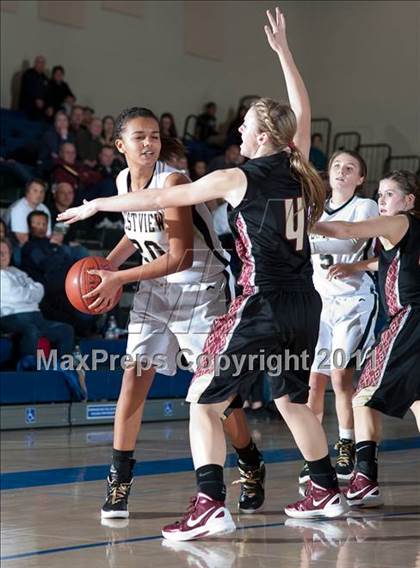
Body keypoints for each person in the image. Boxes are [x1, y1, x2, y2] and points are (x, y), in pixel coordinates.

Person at [59, 9, 347, 537]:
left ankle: (210, 502)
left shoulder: (235, 176)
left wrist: (99, 202)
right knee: (289, 399)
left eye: (246, 125)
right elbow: (303, 110)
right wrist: (285, 53)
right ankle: (326, 486)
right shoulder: (299, 162)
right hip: (306, 303)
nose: (239, 129)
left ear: (262, 137)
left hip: (257, 301)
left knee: (200, 400)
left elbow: (168, 196)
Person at [61, 106, 266, 520]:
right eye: (140, 136)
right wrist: (109, 266)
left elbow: (179, 258)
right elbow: (134, 232)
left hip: (200, 291)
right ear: (120, 145)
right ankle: (119, 480)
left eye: (154, 135)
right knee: (132, 382)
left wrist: (119, 280)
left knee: (218, 396)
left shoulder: (173, 181)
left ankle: (249, 461)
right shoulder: (122, 181)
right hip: (154, 292)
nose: (149, 143)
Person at [311, 169, 420, 506]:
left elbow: (346, 230)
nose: (381, 200)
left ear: (409, 200)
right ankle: (365, 478)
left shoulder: (399, 221)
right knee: (417, 400)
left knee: (363, 395)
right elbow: (387, 262)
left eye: (388, 194)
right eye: (380, 194)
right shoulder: (408, 230)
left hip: (408, 317)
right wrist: (358, 267)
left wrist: (300, 220)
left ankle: (365, 477)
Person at [299, 151, 379, 485]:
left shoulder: (365, 208)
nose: (341, 172)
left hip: (353, 301)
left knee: (339, 376)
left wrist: (302, 226)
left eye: (350, 169)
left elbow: (352, 242)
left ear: (361, 178)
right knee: (313, 382)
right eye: (336, 167)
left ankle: (345, 443)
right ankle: (315, 455)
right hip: (320, 303)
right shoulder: (313, 206)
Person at [0, 237, 74, 359]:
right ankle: (27, 369)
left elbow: (40, 289)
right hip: (11, 318)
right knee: (32, 330)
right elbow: (16, 296)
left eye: (5, 252)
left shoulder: (17, 271)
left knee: (66, 330)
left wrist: (28, 293)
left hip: (36, 317)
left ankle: (63, 368)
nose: (3, 256)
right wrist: (31, 292)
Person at [6, 178, 52, 245]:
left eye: (42, 192)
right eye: (35, 191)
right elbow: (22, 239)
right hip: (16, 246)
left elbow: (48, 235)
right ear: (27, 192)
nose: (39, 195)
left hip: (39, 246)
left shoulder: (44, 208)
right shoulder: (18, 209)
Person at [18, 55, 49, 120]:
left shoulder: (45, 78)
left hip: (40, 110)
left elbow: (47, 92)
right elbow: (28, 88)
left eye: (43, 63)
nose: (41, 64)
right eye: (39, 62)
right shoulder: (28, 73)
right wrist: (36, 99)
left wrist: (46, 104)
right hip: (27, 108)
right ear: (35, 63)